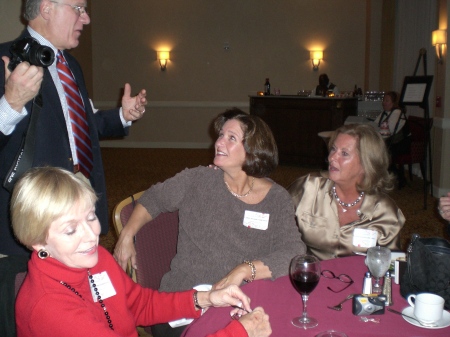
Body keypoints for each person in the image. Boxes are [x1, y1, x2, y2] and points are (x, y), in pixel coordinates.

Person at [0, 1, 146, 334]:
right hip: (30, 231)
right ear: (47, 7)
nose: (87, 17)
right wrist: (10, 103)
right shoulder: (3, 60)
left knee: (84, 306)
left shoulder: (70, 65)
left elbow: (81, 124)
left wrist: (123, 116)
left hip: (74, 219)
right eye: (78, 8)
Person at [11, 167, 272, 337]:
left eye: (90, 217)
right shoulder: (49, 307)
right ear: (37, 242)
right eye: (70, 230)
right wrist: (238, 333)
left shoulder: (94, 258)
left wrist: (207, 298)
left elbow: (139, 305)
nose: (92, 235)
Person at [114, 108, 306, 337]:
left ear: (253, 151)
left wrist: (245, 270)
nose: (219, 142)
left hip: (246, 300)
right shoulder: (198, 180)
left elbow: (294, 251)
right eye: (221, 135)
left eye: (231, 138)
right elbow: (154, 199)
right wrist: (127, 235)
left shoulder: (277, 198)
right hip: (186, 301)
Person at [288, 124, 405, 260]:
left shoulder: (384, 212)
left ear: (366, 164)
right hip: (311, 277)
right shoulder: (308, 188)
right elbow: (274, 223)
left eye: (344, 153)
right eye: (333, 149)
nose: (332, 158)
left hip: (359, 280)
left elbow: (391, 264)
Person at [374, 91, 411, 187]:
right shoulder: (384, 112)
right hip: (391, 141)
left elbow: (388, 132)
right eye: (384, 100)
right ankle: (392, 175)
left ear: (394, 103)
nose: (383, 102)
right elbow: (375, 125)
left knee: (384, 152)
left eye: (387, 100)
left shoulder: (397, 113)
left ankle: (396, 176)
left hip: (402, 143)